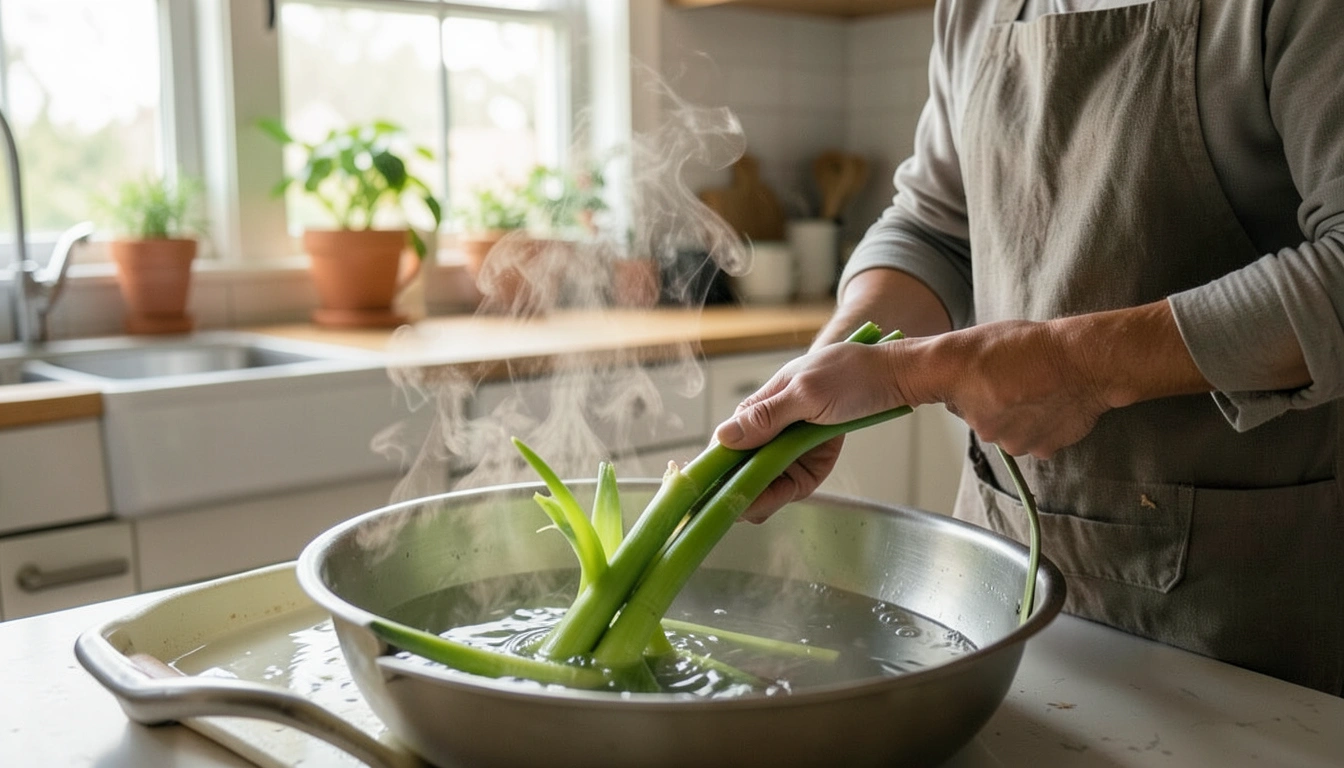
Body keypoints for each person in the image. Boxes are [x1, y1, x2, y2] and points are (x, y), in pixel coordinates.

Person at [713, 0, 1344, 696]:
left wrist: (1079, 368)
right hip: (997, 589)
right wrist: (830, 364)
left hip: (1249, 619)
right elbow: (932, 228)